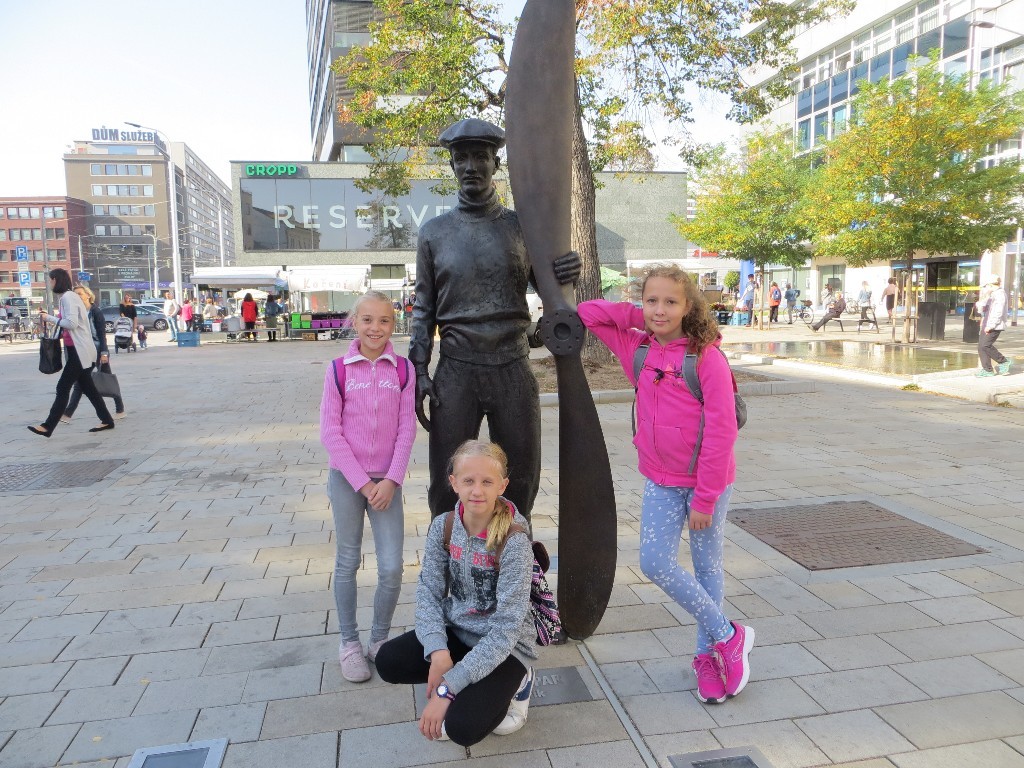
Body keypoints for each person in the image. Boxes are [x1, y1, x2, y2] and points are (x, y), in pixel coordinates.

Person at [578, 265, 752, 705]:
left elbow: (721, 434)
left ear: (689, 306)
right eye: (651, 300)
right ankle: (727, 634)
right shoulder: (637, 348)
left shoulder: (706, 358)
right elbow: (588, 313)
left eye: (670, 302)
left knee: (707, 568)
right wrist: (637, 315)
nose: (660, 310)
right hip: (660, 480)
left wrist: (705, 499)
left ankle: (708, 658)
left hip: (707, 485)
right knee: (655, 563)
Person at [410, 118, 580, 521]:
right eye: (462, 158)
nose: (471, 167)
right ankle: (447, 555)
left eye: (480, 157)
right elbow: (423, 307)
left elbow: (552, 294)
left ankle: (516, 553)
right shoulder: (434, 233)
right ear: (452, 165)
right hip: (456, 370)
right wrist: (419, 368)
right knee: (446, 482)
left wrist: (566, 272)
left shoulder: (522, 228)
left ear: (496, 164)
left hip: (511, 367)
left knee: (521, 479)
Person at [374, 440, 537, 745]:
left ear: (502, 485)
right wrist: (437, 651)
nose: (477, 491)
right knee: (387, 661)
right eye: (468, 481)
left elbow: (506, 629)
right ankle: (466, 674)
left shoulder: (514, 540)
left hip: (506, 646)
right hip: (460, 629)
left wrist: (448, 689)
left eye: (487, 482)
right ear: (453, 483)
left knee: (462, 728)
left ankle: (520, 681)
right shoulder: (444, 526)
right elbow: (429, 592)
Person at [320, 290, 417, 682]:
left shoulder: (403, 370)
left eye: (384, 320)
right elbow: (330, 432)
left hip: (388, 483)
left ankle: (379, 639)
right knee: (348, 561)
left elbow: (407, 428)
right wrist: (363, 484)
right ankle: (349, 643)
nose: (375, 328)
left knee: (391, 565)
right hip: (348, 481)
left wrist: (392, 479)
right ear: (354, 322)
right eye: (367, 320)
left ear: (394, 324)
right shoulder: (338, 370)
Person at [28, 268, 114, 437]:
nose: (50, 283)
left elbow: (71, 323)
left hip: (79, 352)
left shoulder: (68, 297)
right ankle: (107, 420)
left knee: (62, 387)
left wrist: (49, 318)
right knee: (89, 389)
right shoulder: (68, 297)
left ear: (56, 280)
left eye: (51, 280)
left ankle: (48, 426)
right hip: (79, 350)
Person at [63, 285, 125, 423]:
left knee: (108, 379)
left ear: (88, 295)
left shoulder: (95, 311)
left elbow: (102, 334)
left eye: (80, 293)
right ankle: (67, 414)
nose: (77, 296)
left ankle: (120, 409)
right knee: (80, 382)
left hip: (97, 350)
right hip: (83, 350)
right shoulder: (76, 312)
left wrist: (104, 353)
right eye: (75, 294)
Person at [977, 275, 1012, 377]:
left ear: (990, 285)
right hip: (986, 324)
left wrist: (991, 325)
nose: (984, 288)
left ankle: (1003, 361)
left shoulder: (1000, 294)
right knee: (981, 347)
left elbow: (998, 312)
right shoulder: (991, 295)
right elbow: (982, 310)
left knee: (985, 345)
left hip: (994, 325)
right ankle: (987, 370)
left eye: (985, 286)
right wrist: (982, 300)